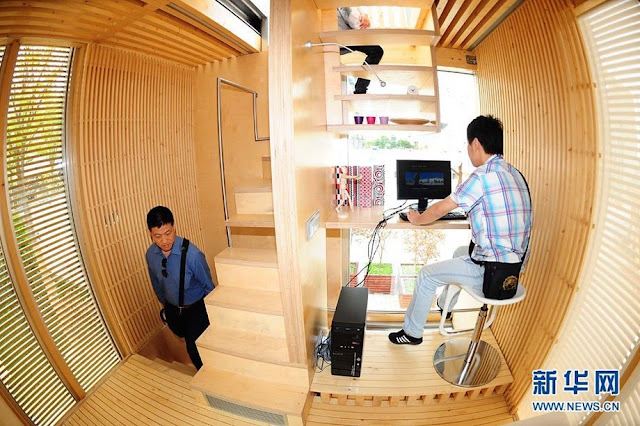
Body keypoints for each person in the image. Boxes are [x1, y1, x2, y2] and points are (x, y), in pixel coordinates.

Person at [389, 115, 533, 345]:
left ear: (476, 143)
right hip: (514, 269)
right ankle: (445, 306)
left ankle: (412, 333)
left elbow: (438, 210)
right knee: (458, 252)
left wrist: (416, 219)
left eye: (468, 145)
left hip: (491, 274)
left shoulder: (483, 176)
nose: (468, 151)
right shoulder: (515, 174)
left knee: (426, 276)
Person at [146, 206, 214, 368]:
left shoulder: (193, 255)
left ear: (174, 227)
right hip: (173, 309)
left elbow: (209, 287)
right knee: (181, 336)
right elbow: (156, 283)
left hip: (196, 309)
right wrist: (167, 305)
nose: (164, 240)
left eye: (168, 233)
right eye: (158, 236)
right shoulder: (150, 254)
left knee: (195, 350)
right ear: (150, 235)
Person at [337, 7, 384, 94]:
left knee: (376, 51)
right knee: (377, 51)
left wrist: (364, 15)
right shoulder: (344, 6)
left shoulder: (354, 7)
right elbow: (358, 24)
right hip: (344, 39)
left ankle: (360, 89)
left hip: (347, 40)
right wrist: (363, 20)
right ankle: (360, 90)